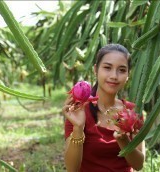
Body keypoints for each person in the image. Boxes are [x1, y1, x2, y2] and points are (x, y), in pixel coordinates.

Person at [62, 44, 145, 172]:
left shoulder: (132, 112)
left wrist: (123, 141)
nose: (114, 76)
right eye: (107, 68)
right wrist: (78, 128)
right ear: (96, 70)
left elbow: (138, 165)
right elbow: (72, 169)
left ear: (128, 75)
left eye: (122, 70)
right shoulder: (79, 111)